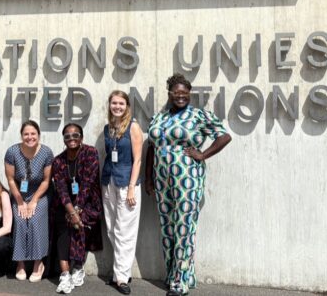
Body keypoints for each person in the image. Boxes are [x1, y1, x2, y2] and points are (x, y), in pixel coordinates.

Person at [145, 74, 232, 296]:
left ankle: (179, 283)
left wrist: (202, 154)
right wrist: (148, 178)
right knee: (167, 227)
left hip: (188, 178)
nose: (180, 96)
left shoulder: (198, 115)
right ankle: (179, 274)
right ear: (170, 93)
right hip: (162, 178)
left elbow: (224, 137)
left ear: (189, 93)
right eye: (176, 92)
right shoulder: (159, 117)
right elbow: (152, 148)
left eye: (184, 92)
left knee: (183, 227)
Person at [51, 123, 103, 294]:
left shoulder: (90, 153)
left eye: (75, 135)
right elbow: (61, 189)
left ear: (81, 137)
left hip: (88, 201)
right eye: (67, 136)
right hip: (65, 204)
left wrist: (77, 210)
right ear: (63, 139)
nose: (71, 139)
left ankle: (78, 266)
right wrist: (71, 211)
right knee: (62, 224)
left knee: (77, 222)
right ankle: (65, 274)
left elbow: (88, 184)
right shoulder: (58, 160)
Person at [101, 90, 144, 295]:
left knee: (125, 231)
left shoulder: (134, 127)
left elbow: (137, 160)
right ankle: (121, 271)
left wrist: (131, 188)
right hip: (108, 180)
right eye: (114, 103)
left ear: (127, 106)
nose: (117, 106)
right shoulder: (108, 128)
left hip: (127, 183)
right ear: (109, 105)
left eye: (121, 103)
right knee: (111, 228)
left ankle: (121, 277)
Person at [4, 120, 54, 282]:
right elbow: (11, 180)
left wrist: (33, 201)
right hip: (19, 193)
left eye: (33, 134)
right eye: (26, 134)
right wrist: (20, 202)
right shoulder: (12, 152)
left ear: (38, 135)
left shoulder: (46, 152)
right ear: (21, 135)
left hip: (40, 193)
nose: (30, 137)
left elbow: (46, 181)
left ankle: (38, 263)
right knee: (19, 220)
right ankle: (20, 264)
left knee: (34, 220)